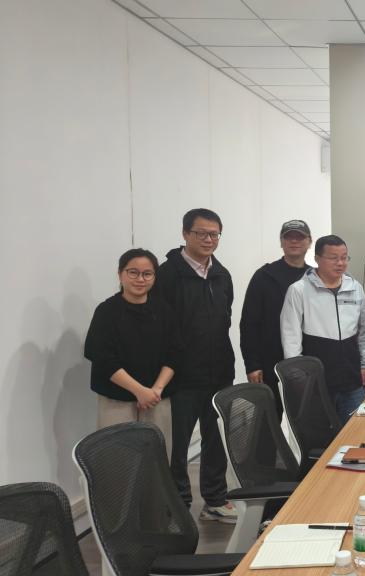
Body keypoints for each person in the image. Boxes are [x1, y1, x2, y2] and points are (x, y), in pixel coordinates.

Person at [152, 208, 236, 523]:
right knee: (177, 447)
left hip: (219, 373)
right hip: (181, 377)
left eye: (214, 234)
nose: (208, 239)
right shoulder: (167, 275)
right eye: (201, 233)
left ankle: (215, 499)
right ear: (185, 234)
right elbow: (160, 326)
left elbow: (225, 318)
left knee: (215, 442)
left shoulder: (221, 274)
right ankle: (178, 507)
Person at [84, 248, 181, 458]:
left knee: (157, 461)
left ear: (154, 277)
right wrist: (139, 391)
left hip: (157, 399)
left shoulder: (164, 311)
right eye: (133, 272)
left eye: (147, 274)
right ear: (120, 274)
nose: (140, 279)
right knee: (117, 462)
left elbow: (175, 354)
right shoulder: (106, 311)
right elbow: (102, 357)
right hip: (117, 401)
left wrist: (155, 390)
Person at [280, 235, 365, 427]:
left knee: (355, 433)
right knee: (320, 437)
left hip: (351, 380)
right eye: (333, 258)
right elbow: (291, 339)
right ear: (317, 259)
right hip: (315, 384)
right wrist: (299, 379)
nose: (340, 263)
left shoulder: (355, 288)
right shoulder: (299, 290)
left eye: (344, 258)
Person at [240, 219, 312, 419]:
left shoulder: (314, 278)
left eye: (300, 237)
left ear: (309, 241)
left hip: (306, 365)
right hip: (269, 364)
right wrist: (252, 364)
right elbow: (249, 324)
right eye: (289, 237)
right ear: (281, 241)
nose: (294, 241)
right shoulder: (264, 276)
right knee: (268, 423)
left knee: (306, 422)